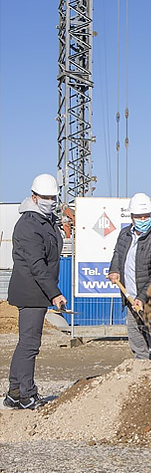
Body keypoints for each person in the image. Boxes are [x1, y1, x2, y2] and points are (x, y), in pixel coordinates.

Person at [3, 174, 66, 410]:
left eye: (53, 197)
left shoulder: (45, 220)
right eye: (46, 197)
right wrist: (55, 294)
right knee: (30, 345)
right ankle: (28, 395)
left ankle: (14, 393)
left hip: (36, 291)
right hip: (31, 292)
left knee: (25, 344)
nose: (50, 201)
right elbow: (37, 266)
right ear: (34, 197)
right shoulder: (30, 225)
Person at [108, 193, 151, 364]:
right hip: (131, 298)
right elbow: (118, 254)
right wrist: (114, 270)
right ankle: (142, 377)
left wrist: (142, 297)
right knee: (138, 343)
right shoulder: (125, 235)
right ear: (132, 217)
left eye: (146, 216)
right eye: (139, 216)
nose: (143, 219)